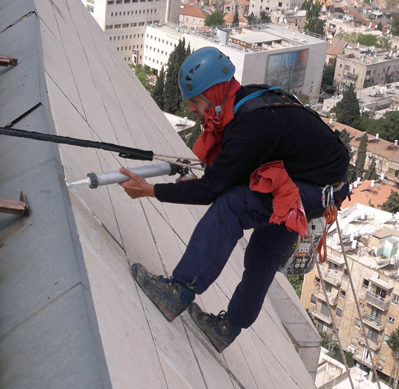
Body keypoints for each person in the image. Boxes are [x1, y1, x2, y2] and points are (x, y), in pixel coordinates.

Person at [119, 47, 349, 353]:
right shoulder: (244, 101)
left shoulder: (250, 125)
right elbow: (234, 166)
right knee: (265, 250)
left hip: (308, 188)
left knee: (233, 204)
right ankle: (227, 328)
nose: (191, 109)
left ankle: (179, 289)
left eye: (195, 101)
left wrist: (150, 190)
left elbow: (211, 191)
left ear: (214, 94)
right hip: (315, 182)